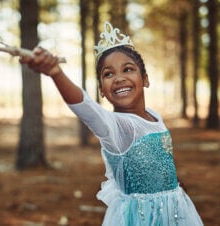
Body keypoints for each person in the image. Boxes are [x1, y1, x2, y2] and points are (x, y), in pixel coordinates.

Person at [19, 21, 203, 226]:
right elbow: (86, 107)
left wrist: (174, 185)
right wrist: (56, 72)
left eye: (128, 69)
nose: (119, 78)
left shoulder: (154, 116)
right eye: (108, 74)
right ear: (102, 91)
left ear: (145, 79)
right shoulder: (116, 128)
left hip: (176, 212)